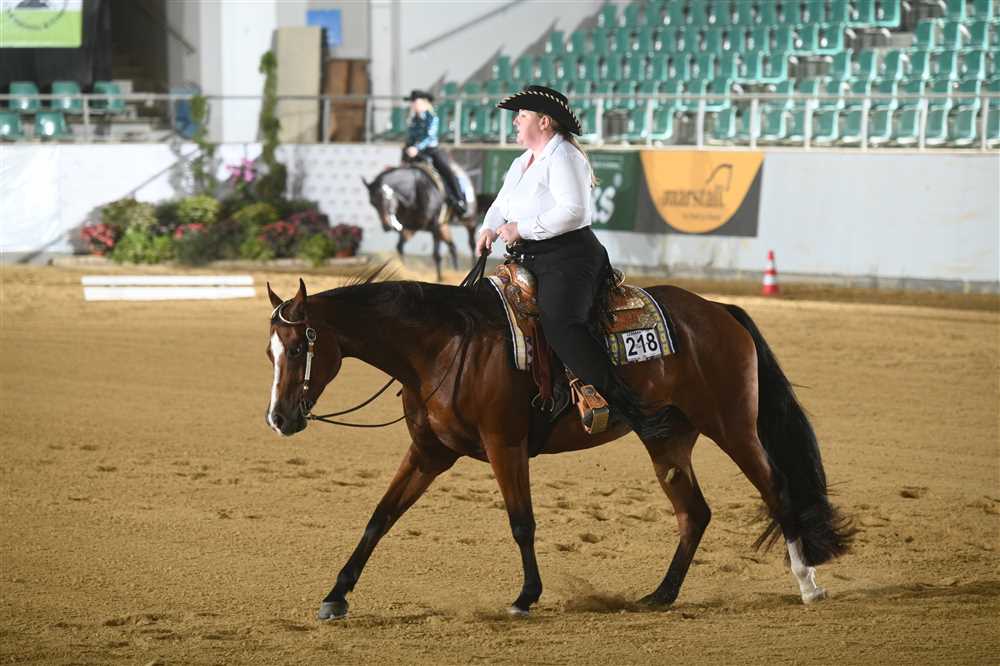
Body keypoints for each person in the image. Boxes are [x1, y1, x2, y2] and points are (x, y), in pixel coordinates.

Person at [476, 84, 670, 440]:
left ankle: (621, 402)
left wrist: (521, 228)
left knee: (562, 322)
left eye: (522, 115)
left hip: (569, 257)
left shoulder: (564, 156)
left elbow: (574, 212)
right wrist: (489, 227)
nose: (515, 121)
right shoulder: (522, 162)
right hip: (530, 256)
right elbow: (501, 205)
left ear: (544, 121)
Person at [402, 89, 467, 216]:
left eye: (415, 102)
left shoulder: (432, 118)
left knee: (446, 171)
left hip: (431, 150)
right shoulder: (413, 120)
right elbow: (411, 136)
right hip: (415, 152)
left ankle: (459, 199)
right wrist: (409, 147)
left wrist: (417, 147)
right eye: (412, 102)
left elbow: (429, 136)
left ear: (424, 103)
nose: (413, 105)